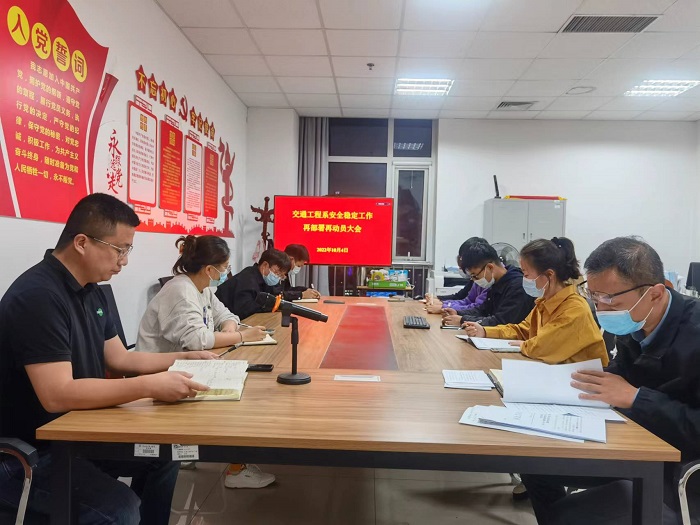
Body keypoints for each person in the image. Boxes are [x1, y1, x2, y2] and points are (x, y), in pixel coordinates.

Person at [0, 193, 217, 525]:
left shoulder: (90, 290)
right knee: (120, 509)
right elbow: (57, 394)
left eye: (128, 250)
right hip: (31, 451)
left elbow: (120, 359)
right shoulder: (38, 297)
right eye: (120, 249)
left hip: (78, 431)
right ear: (82, 243)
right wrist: (150, 387)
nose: (124, 261)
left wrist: (186, 357)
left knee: (164, 454)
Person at [522, 237, 700, 525]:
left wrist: (636, 398)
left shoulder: (693, 332)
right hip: (637, 444)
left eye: (609, 300)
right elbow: (621, 375)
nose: (601, 310)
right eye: (594, 297)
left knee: (570, 515)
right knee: (535, 465)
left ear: (655, 294)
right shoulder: (636, 322)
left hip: (680, 471)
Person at [136, 235, 274, 489]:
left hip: (188, 365)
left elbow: (226, 315)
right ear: (209, 269)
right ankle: (235, 469)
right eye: (224, 268)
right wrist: (242, 336)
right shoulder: (180, 291)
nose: (226, 273)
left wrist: (230, 327)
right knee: (238, 398)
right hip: (160, 373)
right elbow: (197, 339)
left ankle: (199, 452)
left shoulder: (203, 288)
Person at [462, 237, 608, 366]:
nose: (524, 279)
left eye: (526, 274)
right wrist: (485, 331)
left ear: (549, 275)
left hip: (581, 379)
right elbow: (521, 330)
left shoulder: (574, 308)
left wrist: (525, 345)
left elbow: (543, 347)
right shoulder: (543, 303)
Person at [441, 239, 534, 327]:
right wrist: (458, 313)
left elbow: (501, 322)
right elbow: (483, 310)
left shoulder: (518, 286)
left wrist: (462, 320)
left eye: (475, 275)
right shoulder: (497, 282)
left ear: (489, 267)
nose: (474, 280)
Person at [215, 248, 292, 319]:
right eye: (277, 273)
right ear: (265, 265)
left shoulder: (265, 280)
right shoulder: (247, 280)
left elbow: (275, 296)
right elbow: (244, 311)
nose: (277, 277)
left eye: (281, 275)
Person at [425, 238, 487, 315]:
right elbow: (467, 301)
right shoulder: (477, 280)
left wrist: (443, 307)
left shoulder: (487, 282)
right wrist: (443, 303)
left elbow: (478, 308)